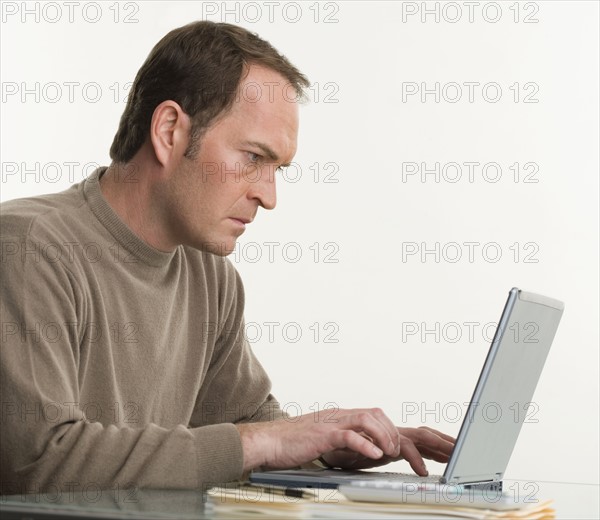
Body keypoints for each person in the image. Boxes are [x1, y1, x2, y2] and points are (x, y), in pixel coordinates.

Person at [0, 20, 454, 495]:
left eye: (277, 169)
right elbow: (37, 462)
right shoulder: (29, 249)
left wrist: (330, 446)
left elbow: (246, 426)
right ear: (170, 130)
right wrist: (267, 442)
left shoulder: (211, 278)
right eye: (254, 158)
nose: (269, 196)